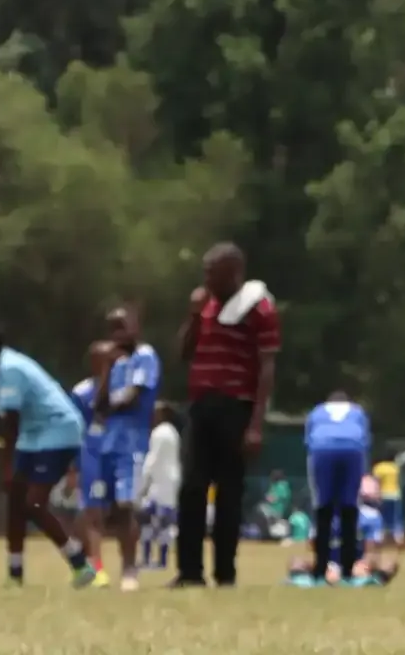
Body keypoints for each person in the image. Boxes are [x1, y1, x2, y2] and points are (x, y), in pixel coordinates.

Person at [174, 242, 280, 587]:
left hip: (236, 406)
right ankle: (189, 572)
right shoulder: (206, 307)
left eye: (212, 273)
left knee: (229, 492)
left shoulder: (259, 308)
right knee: (191, 487)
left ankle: (225, 572)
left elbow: (267, 367)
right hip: (202, 405)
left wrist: (256, 425)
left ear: (233, 272)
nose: (206, 279)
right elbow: (184, 353)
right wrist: (193, 315)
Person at [0, 319, 97, 586]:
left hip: (58, 430)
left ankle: (81, 565)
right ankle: (15, 574)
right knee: (16, 501)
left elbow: (10, 422)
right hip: (33, 435)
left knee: (33, 503)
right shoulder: (1, 370)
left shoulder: (10, 368)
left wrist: (8, 466)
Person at [91, 306, 160, 590]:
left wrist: (109, 405)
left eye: (122, 326)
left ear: (135, 327)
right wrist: (106, 368)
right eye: (113, 328)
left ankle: (131, 571)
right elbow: (99, 406)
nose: (118, 334)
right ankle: (114, 569)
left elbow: (131, 399)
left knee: (125, 504)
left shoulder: (145, 356)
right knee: (109, 511)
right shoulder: (116, 364)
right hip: (109, 442)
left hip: (131, 442)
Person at [304, 390, 369, 582]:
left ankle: (320, 568)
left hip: (322, 450)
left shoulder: (316, 412)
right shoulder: (358, 411)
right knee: (349, 508)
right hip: (352, 451)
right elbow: (365, 440)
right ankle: (348, 569)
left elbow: (308, 441)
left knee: (323, 508)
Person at [68, 341, 116, 586]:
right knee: (93, 511)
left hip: (115, 454)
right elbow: (74, 430)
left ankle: (77, 555)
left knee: (97, 512)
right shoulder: (82, 392)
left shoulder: (123, 390)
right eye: (104, 359)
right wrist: (73, 465)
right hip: (91, 455)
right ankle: (97, 567)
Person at [140, 403, 181, 570]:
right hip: (171, 482)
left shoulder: (159, 432)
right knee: (166, 523)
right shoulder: (173, 432)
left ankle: (147, 559)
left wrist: (143, 483)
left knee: (149, 522)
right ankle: (162, 561)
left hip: (159, 483)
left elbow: (152, 459)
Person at [371, 453, 404, 549]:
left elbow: (377, 482)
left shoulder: (379, 468)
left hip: (383, 495)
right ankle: (398, 538)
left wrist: (376, 494)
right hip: (395, 495)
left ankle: (380, 538)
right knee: (396, 517)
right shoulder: (395, 467)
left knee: (381, 517)